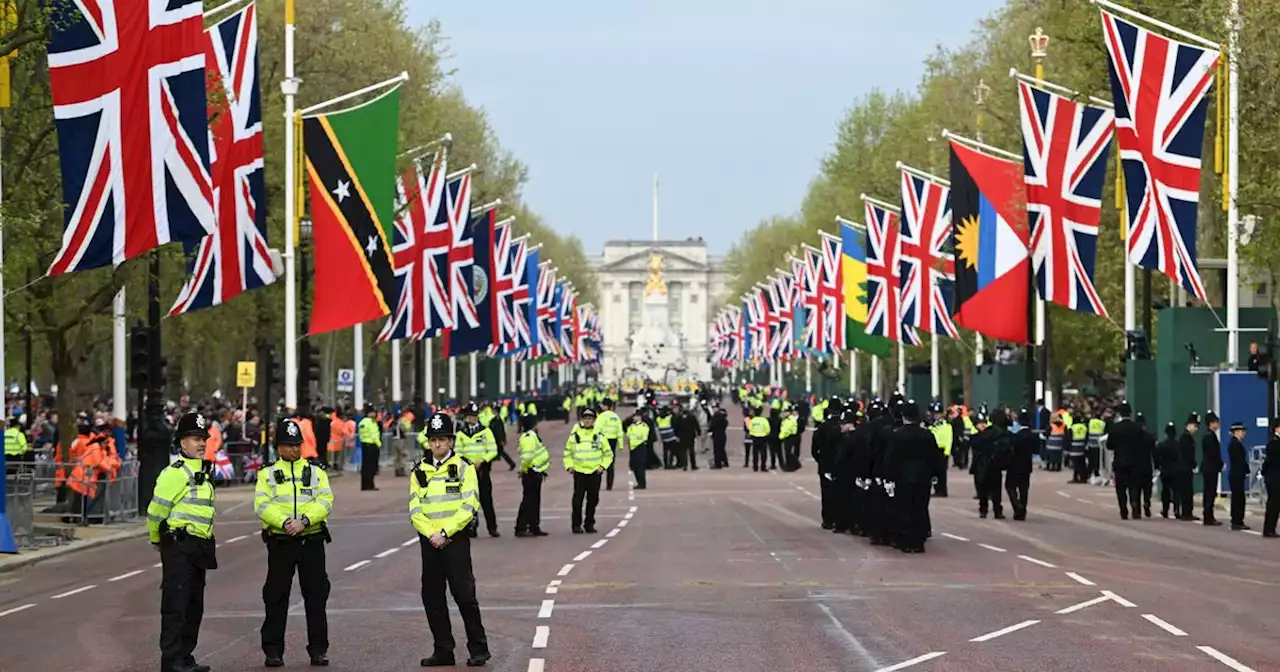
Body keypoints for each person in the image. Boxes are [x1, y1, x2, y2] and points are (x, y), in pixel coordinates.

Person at [412, 412, 491, 668]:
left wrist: (445, 532)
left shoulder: (464, 467)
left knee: (465, 595)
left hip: (454, 540)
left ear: (451, 441)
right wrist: (431, 534)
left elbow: (469, 504)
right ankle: (443, 650)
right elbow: (415, 509)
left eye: (442, 439)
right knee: (432, 597)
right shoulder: (419, 471)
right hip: (429, 541)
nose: (437, 444)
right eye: (433, 440)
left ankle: (479, 649)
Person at [256, 418, 334, 667]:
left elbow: (325, 500)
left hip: (311, 539)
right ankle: (273, 651)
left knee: (316, 596)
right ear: (278, 447)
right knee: (276, 596)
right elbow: (262, 504)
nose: (294, 450)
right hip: (281, 541)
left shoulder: (315, 471)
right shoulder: (266, 473)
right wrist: (285, 522)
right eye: (288, 445)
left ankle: (318, 649)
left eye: (297, 445)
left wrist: (304, 520)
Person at [148, 411, 218, 672]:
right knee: (176, 605)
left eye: (203, 438)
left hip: (199, 545)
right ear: (181, 443)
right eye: (194, 438)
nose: (200, 443)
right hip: (178, 544)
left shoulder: (204, 472)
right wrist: (156, 539)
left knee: (193, 606)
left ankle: (186, 656)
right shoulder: (174, 473)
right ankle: (172, 660)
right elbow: (156, 511)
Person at [454, 403, 500, 538]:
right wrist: (467, 462)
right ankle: (472, 528)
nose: (473, 419)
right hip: (467, 470)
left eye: (475, 416)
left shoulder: (485, 432)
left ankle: (492, 528)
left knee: (486, 500)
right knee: (469, 500)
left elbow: (493, 450)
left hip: (482, 470)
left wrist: (483, 460)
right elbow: (457, 451)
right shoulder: (461, 434)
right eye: (470, 416)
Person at [565, 407, 610, 533]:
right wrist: (569, 466)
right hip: (579, 472)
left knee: (593, 499)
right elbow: (567, 452)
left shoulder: (599, 435)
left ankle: (589, 523)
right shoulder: (575, 435)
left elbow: (608, 453)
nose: (587, 421)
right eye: (585, 418)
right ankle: (576, 525)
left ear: (594, 420)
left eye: (590, 418)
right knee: (577, 500)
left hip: (595, 472)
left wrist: (603, 466)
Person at [1106, 403, 1144, 520]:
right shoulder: (1137, 428)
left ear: (1120, 414)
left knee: (1121, 487)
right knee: (1135, 485)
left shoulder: (1115, 428)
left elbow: (1109, 445)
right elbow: (1142, 444)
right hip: (1135, 461)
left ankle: (1123, 509)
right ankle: (1135, 505)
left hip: (1120, 461)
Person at [515, 414, 549, 537]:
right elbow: (527, 457)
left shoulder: (531, 436)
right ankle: (521, 526)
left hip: (535, 471)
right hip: (531, 473)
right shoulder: (529, 437)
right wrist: (523, 470)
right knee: (528, 501)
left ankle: (533, 526)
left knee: (534, 501)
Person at [1007, 409, 1038, 521]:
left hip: (1014, 464)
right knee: (1024, 489)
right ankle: (1023, 510)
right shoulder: (1033, 436)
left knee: (1010, 486)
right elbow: (1036, 450)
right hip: (1027, 465)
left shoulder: (1016, 436)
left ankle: (1017, 505)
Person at [1156, 422, 1185, 518]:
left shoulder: (1161, 445)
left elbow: (1158, 458)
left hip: (1165, 470)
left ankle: (1165, 510)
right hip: (1176, 470)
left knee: (1165, 490)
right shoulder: (1179, 445)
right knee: (1177, 491)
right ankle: (1177, 509)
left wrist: (1158, 467)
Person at [1226, 421, 1251, 531]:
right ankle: (1237, 520)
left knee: (1239, 497)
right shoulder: (1235, 444)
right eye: (1241, 431)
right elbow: (1239, 460)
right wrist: (1245, 468)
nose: (1243, 433)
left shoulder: (1236, 443)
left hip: (1237, 473)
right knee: (1238, 498)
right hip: (1236, 474)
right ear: (1236, 432)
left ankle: (1238, 519)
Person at [1201, 411, 1224, 526]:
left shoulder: (1208, 436)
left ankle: (1208, 514)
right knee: (1210, 492)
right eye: (1217, 422)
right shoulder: (1210, 437)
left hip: (1208, 468)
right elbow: (1213, 454)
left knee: (1209, 492)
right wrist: (1220, 464)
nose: (1218, 425)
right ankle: (1208, 516)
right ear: (1212, 423)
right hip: (1211, 468)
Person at [596, 398, 624, 489]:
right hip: (613, 441)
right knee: (610, 464)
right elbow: (620, 431)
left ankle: (597, 484)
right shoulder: (616, 416)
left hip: (603, 441)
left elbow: (597, 430)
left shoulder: (601, 416)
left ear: (605, 406)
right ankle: (609, 485)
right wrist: (621, 444)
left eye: (602, 405)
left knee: (599, 463)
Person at [357, 407, 382, 491]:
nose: (374, 414)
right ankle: (370, 485)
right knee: (371, 466)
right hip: (372, 445)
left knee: (365, 466)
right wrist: (379, 444)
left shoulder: (362, 422)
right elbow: (374, 434)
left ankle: (364, 485)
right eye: (373, 413)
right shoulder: (371, 422)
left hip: (365, 444)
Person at [1261, 423, 1280, 538]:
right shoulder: (1274, 442)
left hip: (1275, 477)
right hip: (1274, 478)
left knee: (1276, 504)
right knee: (1273, 504)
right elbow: (1272, 460)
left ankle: (1271, 528)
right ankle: (1269, 529)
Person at [626, 411, 650, 489]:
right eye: (634, 416)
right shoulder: (631, 426)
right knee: (634, 466)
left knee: (640, 467)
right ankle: (639, 482)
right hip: (632, 448)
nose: (634, 418)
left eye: (636, 416)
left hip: (640, 447)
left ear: (640, 417)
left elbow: (643, 437)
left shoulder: (644, 426)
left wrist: (636, 438)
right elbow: (628, 435)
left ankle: (642, 484)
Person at [748, 406, 771, 474]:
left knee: (755, 453)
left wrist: (753, 434)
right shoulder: (764, 420)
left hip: (755, 438)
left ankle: (755, 467)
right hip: (763, 438)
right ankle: (763, 467)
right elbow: (768, 429)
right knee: (763, 453)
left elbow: (750, 429)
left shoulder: (752, 420)